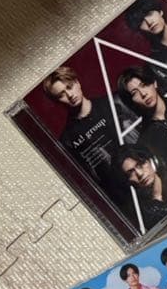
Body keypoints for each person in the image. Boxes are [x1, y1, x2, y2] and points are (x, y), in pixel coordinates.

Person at [41, 66, 139, 206]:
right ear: (57, 101)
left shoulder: (115, 102)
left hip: (147, 169)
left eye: (69, 86)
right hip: (122, 196)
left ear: (77, 82)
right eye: (61, 95)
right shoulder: (68, 139)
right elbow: (93, 179)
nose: (70, 95)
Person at [113, 144, 167, 229]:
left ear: (152, 161)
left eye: (140, 164)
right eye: (131, 172)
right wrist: (157, 197)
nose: (139, 174)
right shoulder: (142, 211)